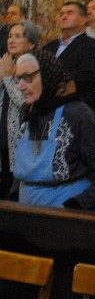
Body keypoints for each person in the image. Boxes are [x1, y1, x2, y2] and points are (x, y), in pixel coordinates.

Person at [13, 50, 95, 208]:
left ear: (46, 76)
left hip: (66, 219)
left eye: (27, 78)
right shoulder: (28, 111)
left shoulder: (76, 113)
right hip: (28, 216)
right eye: (18, 78)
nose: (21, 86)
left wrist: (76, 206)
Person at [0, 20, 40, 198]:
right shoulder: (5, 63)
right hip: (2, 136)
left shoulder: (34, 66)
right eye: (10, 36)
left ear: (31, 43)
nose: (11, 40)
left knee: (15, 191)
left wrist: (8, 78)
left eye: (18, 36)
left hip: (20, 137)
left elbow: (25, 103)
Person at [42, 1, 95, 108]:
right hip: (45, 107)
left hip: (75, 108)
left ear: (83, 19)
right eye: (61, 14)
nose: (64, 17)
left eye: (69, 13)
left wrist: (48, 82)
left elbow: (84, 77)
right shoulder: (49, 46)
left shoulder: (93, 47)